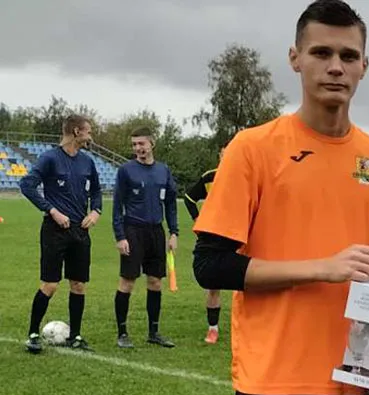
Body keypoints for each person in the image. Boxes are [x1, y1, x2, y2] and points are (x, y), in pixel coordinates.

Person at [191, 1, 369, 395]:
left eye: (348, 56)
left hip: (353, 387)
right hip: (272, 385)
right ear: (295, 58)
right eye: (321, 52)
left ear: (364, 66)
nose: (335, 67)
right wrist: (320, 268)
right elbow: (210, 264)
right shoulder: (253, 148)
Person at [19, 114, 102, 353]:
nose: (90, 135)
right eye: (88, 131)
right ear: (76, 132)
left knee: (78, 284)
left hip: (81, 231)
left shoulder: (87, 162)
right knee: (51, 284)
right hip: (54, 231)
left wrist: (96, 211)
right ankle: (33, 334)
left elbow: (96, 191)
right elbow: (26, 185)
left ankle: (75, 336)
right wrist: (52, 210)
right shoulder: (50, 158)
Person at [112, 126, 179, 348]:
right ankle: (122, 333)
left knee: (155, 281)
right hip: (133, 230)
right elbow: (117, 206)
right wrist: (120, 236)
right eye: (134, 144)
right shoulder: (126, 171)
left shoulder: (163, 170)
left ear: (152, 144)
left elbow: (170, 204)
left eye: (141, 143)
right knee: (127, 281)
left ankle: (154, 332)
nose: (138, 148)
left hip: (156, 231)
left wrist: (174, 232)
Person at [184, 157, 222, 344]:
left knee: (249, 281)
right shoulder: (210, 177)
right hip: (215, 235)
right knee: (214, 284)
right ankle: (213, 329)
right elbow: (189, 198)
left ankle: (249, 325)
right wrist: (198, 221)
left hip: (243, 234)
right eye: (224, 155)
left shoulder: (247, 175)